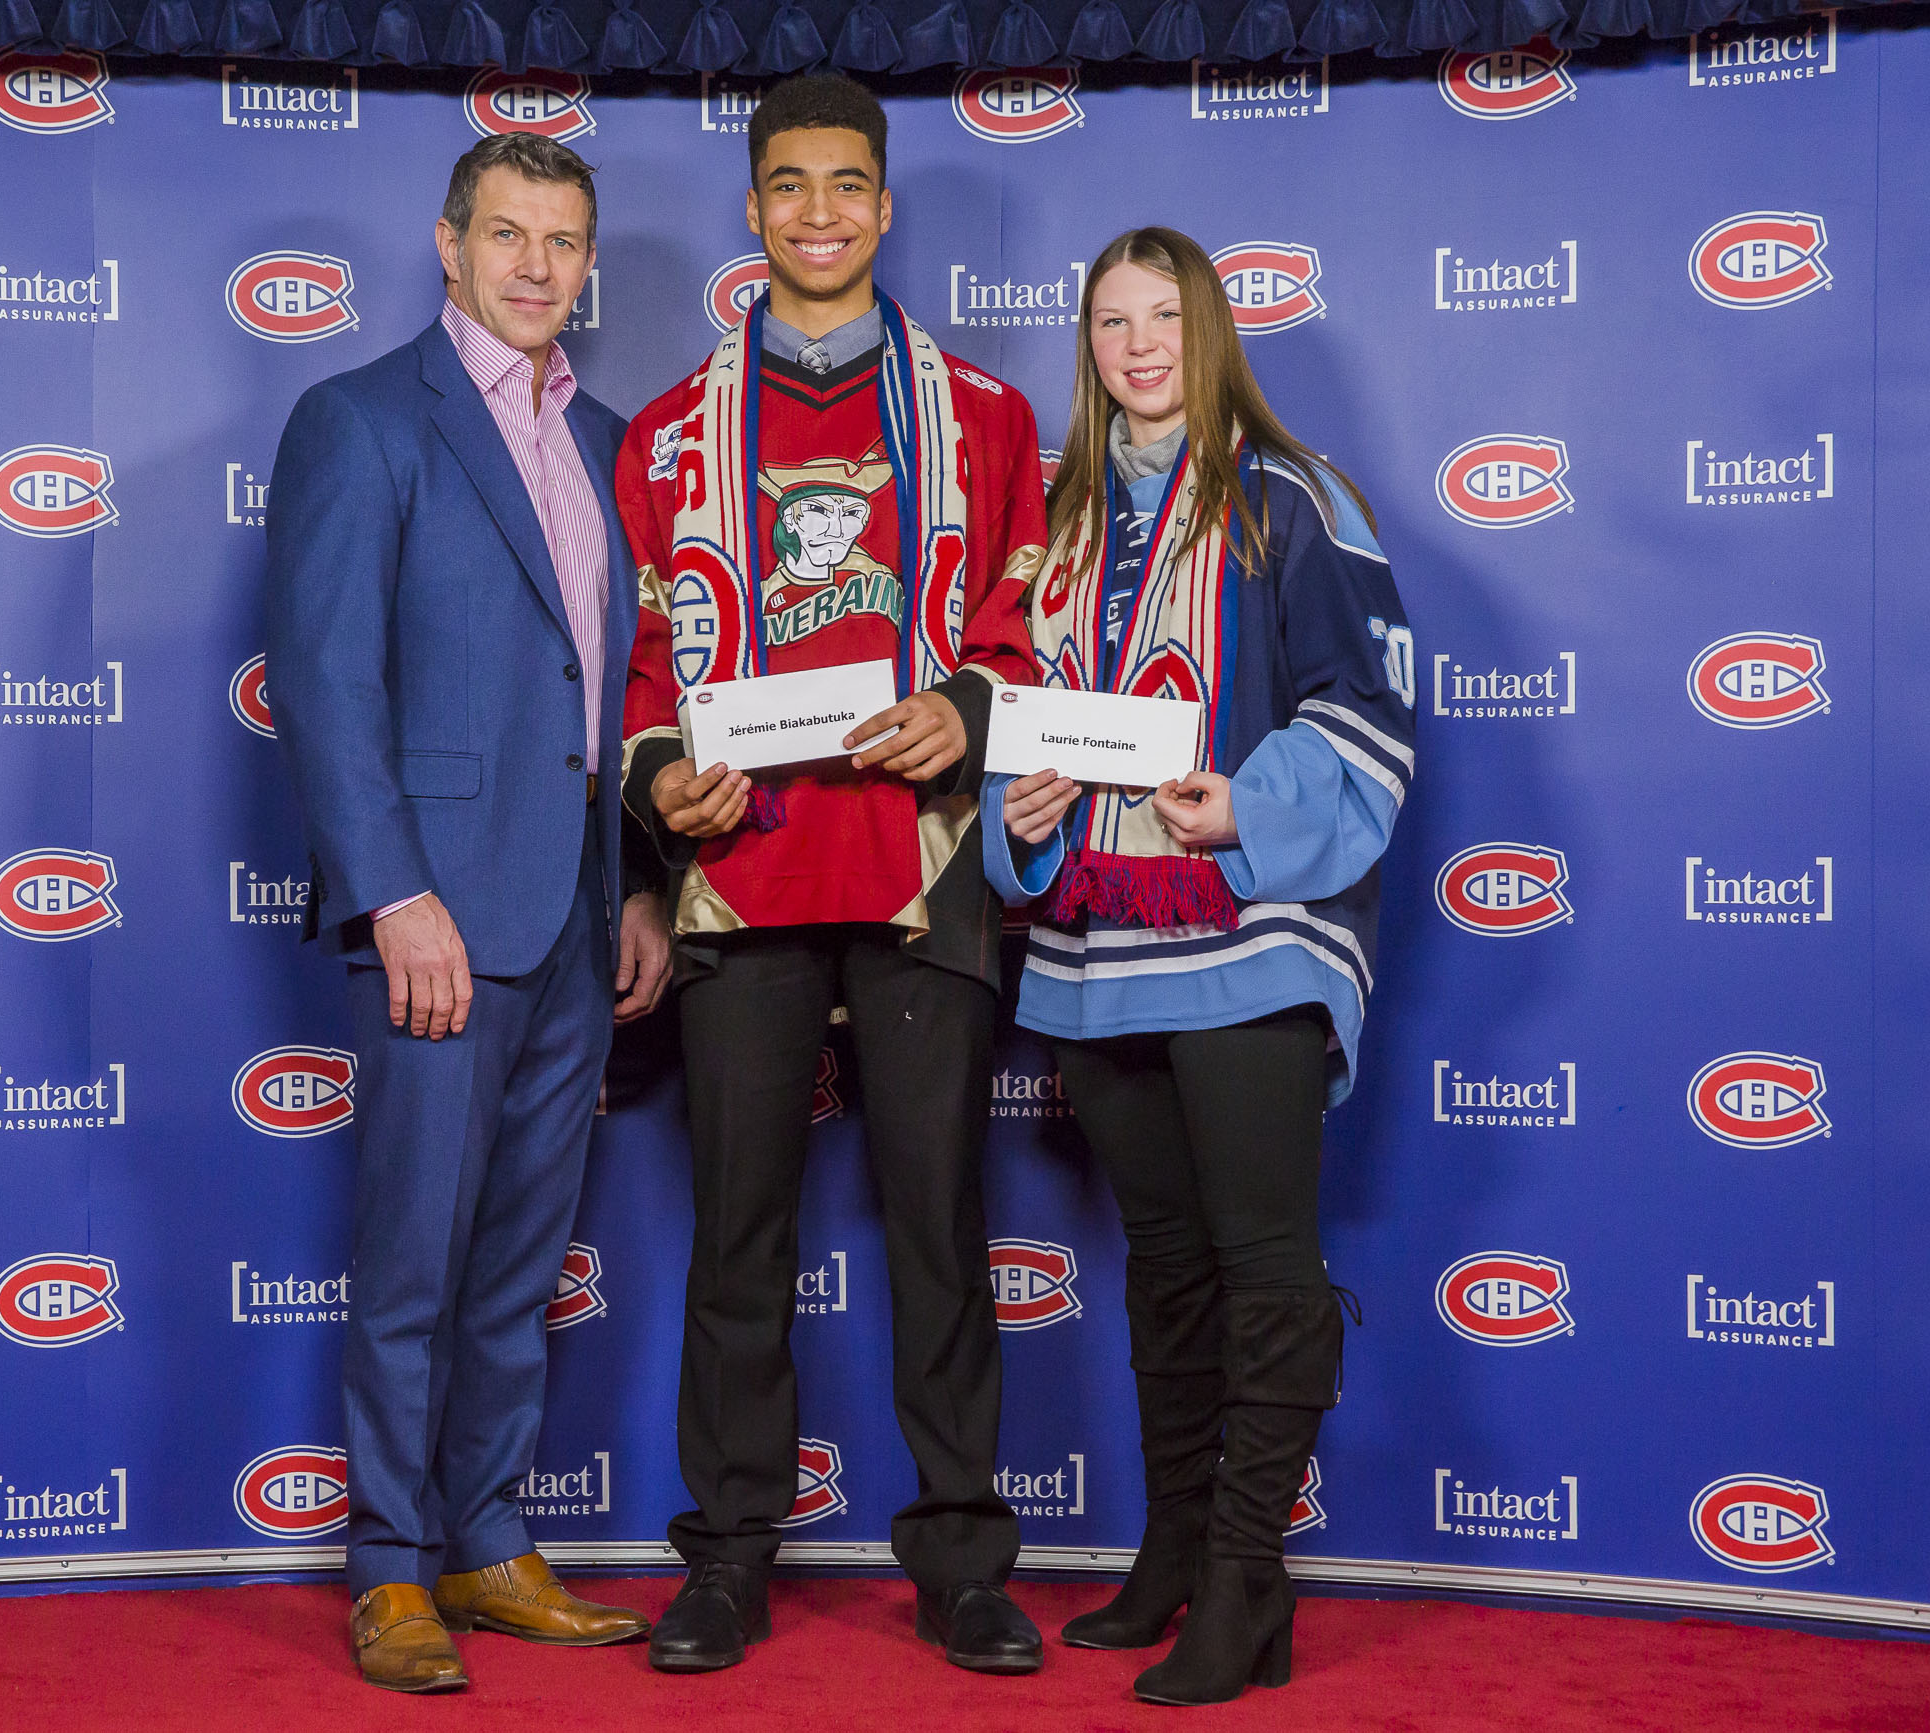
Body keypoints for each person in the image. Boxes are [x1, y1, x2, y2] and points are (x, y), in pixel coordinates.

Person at [615, 73, 1052, 1676]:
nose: (818, 214)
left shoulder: (990, 419)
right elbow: (646, 675)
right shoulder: (668, 431)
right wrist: (666, 780)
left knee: (940, 1224)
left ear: (884, 206)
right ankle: (728, 1555)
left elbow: (1027, 639)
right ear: (752, 207)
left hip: (927, 874)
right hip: (745, 877)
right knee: (740, 1236)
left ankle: (962, 1558)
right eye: (789, 186)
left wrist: (971, 706)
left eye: (847, 187)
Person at [263, 132, 672, 1694]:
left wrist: (635, 881)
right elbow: (324, 683)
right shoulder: (362, 423)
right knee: (418, 1253)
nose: (534, 266)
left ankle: (490, 1538)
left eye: (562, 241)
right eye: (505, 234)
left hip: (578, 906)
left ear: (587, 261)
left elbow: (617, 696)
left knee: (519, 1255)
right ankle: (390, 1567)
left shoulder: (617, 443)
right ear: (447, 245)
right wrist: (392, 893)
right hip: (438, 909)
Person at [985, 227, 1414, 1706]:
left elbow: (1366, 708)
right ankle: (1171, 1551)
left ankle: (1249, 1581)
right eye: (1111, 319)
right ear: (1088, 344)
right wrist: (1019, 813)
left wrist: (1253, 801)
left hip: (1250, 940)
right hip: (1098, 951)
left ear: (1211, 328)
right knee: (1163, 1267)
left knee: (1262, 1266)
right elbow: (1018, 726)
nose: (1138, 343)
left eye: (1164, 315)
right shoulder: (1054, 522)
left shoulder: (1293, 500)